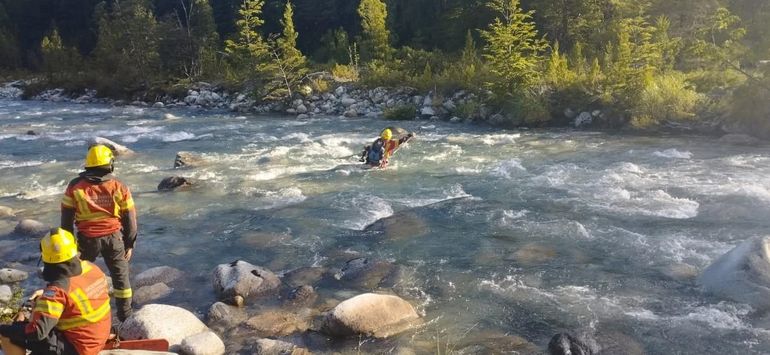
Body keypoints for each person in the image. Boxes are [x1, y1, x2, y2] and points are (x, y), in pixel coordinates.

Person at [0, 228, 112, 355]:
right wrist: (45, 293)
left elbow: (38, 332)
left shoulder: (57, 290)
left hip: (78, 348)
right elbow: (77, 292)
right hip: (99, 337)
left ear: (46, 256)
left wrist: (4, 328)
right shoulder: (92, 268)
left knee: (8, 334)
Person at [60, 144, 136, 321]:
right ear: (110, 164)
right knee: (121, 281)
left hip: (86, 240)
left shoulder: (75, 186)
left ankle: (79, 313)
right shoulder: (119, 186)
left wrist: (69, 247)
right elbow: (130, 221)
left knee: (78, 277)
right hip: (114, 239)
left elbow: (66, 221)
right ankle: (126, 319)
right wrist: (129, 244)